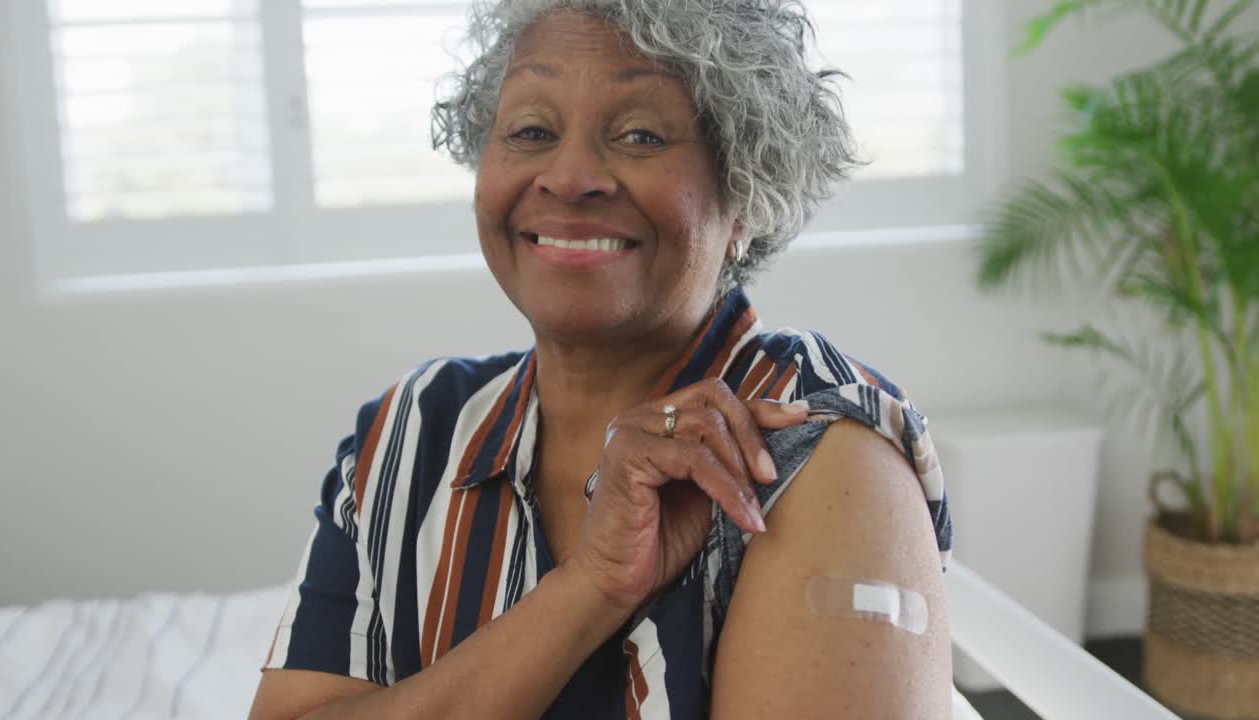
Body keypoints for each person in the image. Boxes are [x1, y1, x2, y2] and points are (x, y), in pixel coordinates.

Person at [249, 1, 953, 717]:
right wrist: (591, 587)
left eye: (641, 135)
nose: (570, 176)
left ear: (743, 197)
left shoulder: (810, 444)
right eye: (531, 131)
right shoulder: (413, 430)